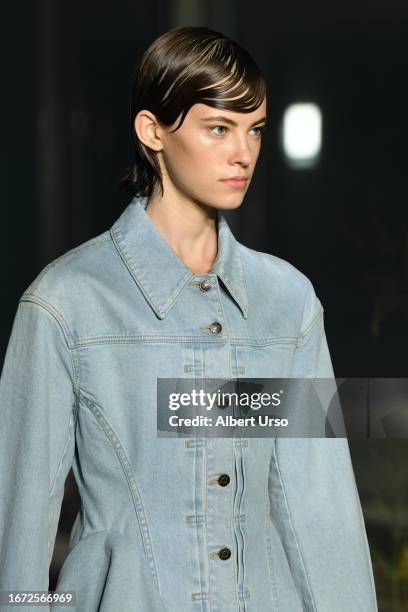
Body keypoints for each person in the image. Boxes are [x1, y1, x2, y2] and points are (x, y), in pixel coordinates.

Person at [0, 26, 378, 612]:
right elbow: (20, 523)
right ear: (152, 130)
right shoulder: (66, 303)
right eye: (218, 128)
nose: (243, 153)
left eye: (254, 130)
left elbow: (320, 503)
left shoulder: (288, 301)